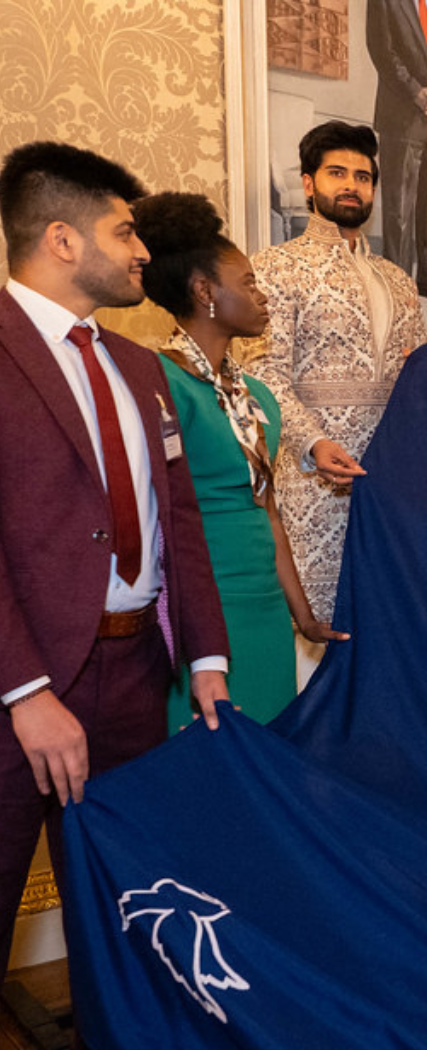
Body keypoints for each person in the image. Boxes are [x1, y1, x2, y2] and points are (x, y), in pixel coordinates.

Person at [0, 142, 230, 967]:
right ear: (63, 240)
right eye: (125, 231)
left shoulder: (141, 368)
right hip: (20, 692)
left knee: (130, 922)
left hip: (137, 681)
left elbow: (183, 517)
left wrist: (205, 653)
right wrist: (25, 693)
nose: (143, 251)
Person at [132, 192, 348, 734]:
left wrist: (301, 616)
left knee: (268, 753)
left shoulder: (258, 397)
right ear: (205, 291)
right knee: (205, 765)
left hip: (265, 611)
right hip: (201, 607)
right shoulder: (162, 385)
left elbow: (268, 509)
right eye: (248, 282)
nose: (261, 294)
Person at [251, 121, 427, 627]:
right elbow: (262, 373)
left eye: (363, 176)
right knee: (315, 625)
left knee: (383, 618)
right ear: (309, 183)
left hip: (389, 480)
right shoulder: (275, 268)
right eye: (336, 173)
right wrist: (311, 443)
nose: (351, 185)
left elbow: (416, 375)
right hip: (311, 478)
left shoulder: (399, 280)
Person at [367, 0, 427, 304]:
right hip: (403, 116)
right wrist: (416, 92)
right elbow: (382, 52)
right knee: (399, 207)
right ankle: (397, 281)